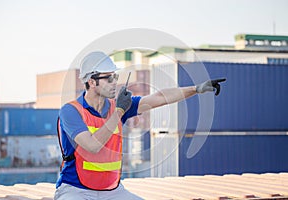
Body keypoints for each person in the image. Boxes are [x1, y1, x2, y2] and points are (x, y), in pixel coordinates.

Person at [54, 51, 226, 200]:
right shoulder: (71, 111)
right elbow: (92, 146)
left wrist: (196, 89)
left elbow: (159, 97)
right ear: (91, 82)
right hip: (75, 190)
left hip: (111, 191)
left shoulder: (117, 106)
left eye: (115, 76)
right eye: (108, 78)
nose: (114, 82)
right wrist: (119, 111)